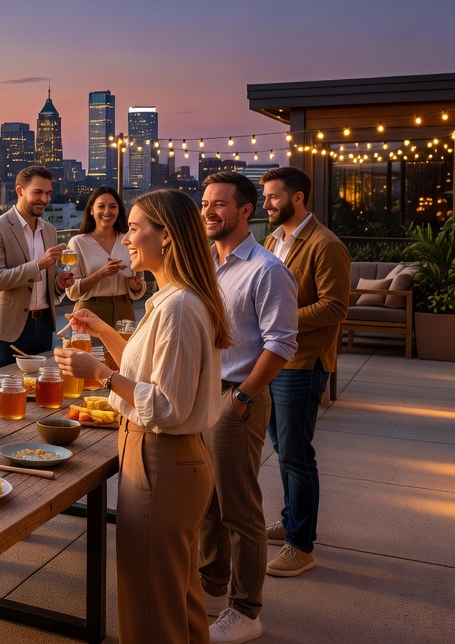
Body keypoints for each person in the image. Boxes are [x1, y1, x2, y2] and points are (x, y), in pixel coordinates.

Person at [55, 188, 228, 644]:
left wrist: (100, 375)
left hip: (160, 461)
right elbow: (146, 365)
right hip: (164, 461)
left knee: (150, 608)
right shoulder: (175, 300)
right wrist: (102, 330)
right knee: (177, 599)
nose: (126, 238)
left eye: (134, 228)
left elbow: (167, 406)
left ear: (166, 236)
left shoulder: (180, 308)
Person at [199, 172, 299, 644]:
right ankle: (212, 585)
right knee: (206, 502)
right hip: (200, 393)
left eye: (220, 204)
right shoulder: (205, 263)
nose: (209, 211)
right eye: (205, 203)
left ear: (246, 210)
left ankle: (246, 609)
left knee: (239, 509)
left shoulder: (267, 269)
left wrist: (242, 397)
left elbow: (282, 343)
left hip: (236, 394)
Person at [260, 166, 350, 578]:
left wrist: (280, 319)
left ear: (298, 198)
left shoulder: (324, 244)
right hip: (272, 359)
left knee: (297, 454)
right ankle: (291, 517)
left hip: (302, 362)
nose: (266, 204)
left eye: (274, 197)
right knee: (282, 447)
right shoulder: (272, 239)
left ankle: (301, 545)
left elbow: (334, 306)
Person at [0, 165, 74, 371]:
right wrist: (39, 265)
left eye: (48, 193)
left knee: (41, 388)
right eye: (38, 192)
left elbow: (44, 283)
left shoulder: (49, 231)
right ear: (20, 190)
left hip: (44, 327)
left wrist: (57, 283)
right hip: (7, 328)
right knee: (5, 389)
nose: (45, 199)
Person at [65, 186, 145, 326]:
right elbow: (71, 291)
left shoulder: (129, 240)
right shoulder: (78, 243)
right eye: (101, 206)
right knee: (87, 349)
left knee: (125, 348)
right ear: (91, 210)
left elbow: (140, 286)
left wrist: (134, 286)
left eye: (112, 206)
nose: (107, 212)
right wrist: (100, 274)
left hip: (125, 310)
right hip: (90, 311)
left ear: (118, 210)